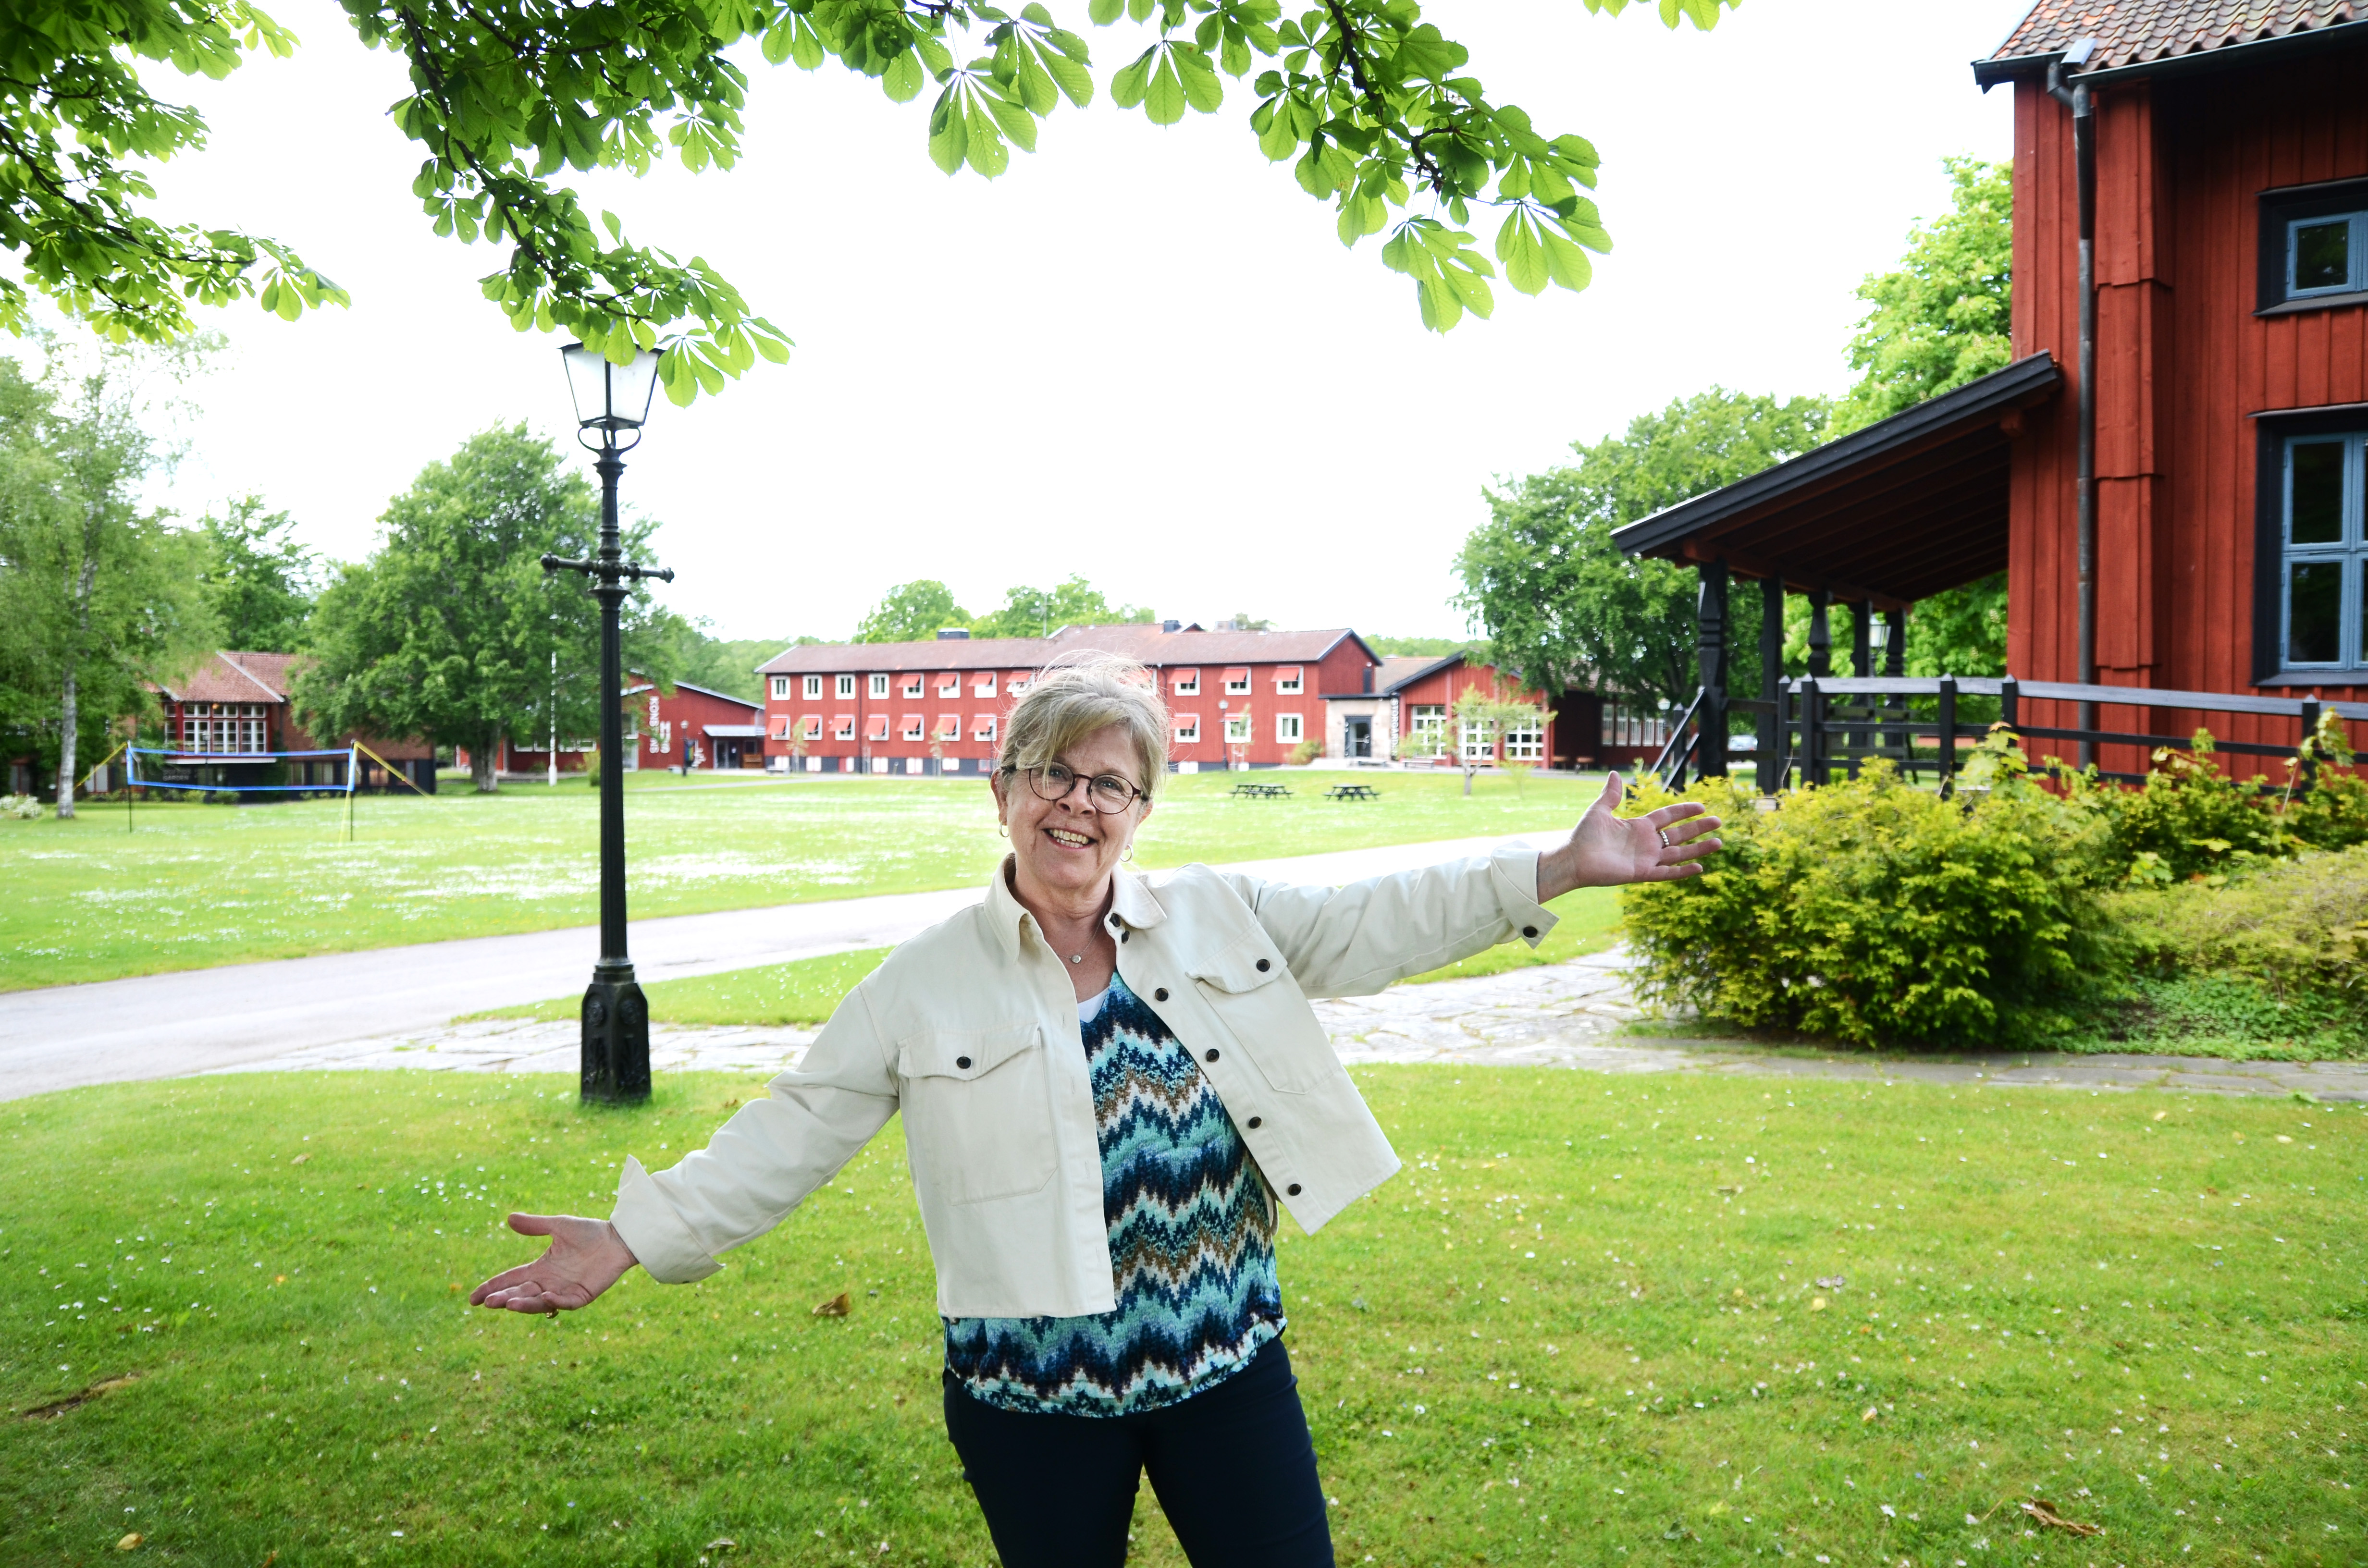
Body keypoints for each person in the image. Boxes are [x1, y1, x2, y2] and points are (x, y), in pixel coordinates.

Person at [471, 653, 1722, 1568]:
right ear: (1003, 792)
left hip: (1225, 1366)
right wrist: (630, 1239)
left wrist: (1555, 868)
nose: (1079, 805)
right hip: (1031, 1399)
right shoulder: (921, 984)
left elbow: (1378, 914)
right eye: (1053, 776)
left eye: (1111, 785)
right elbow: (792, 1132)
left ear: (1142, 810)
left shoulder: (1217, 920)